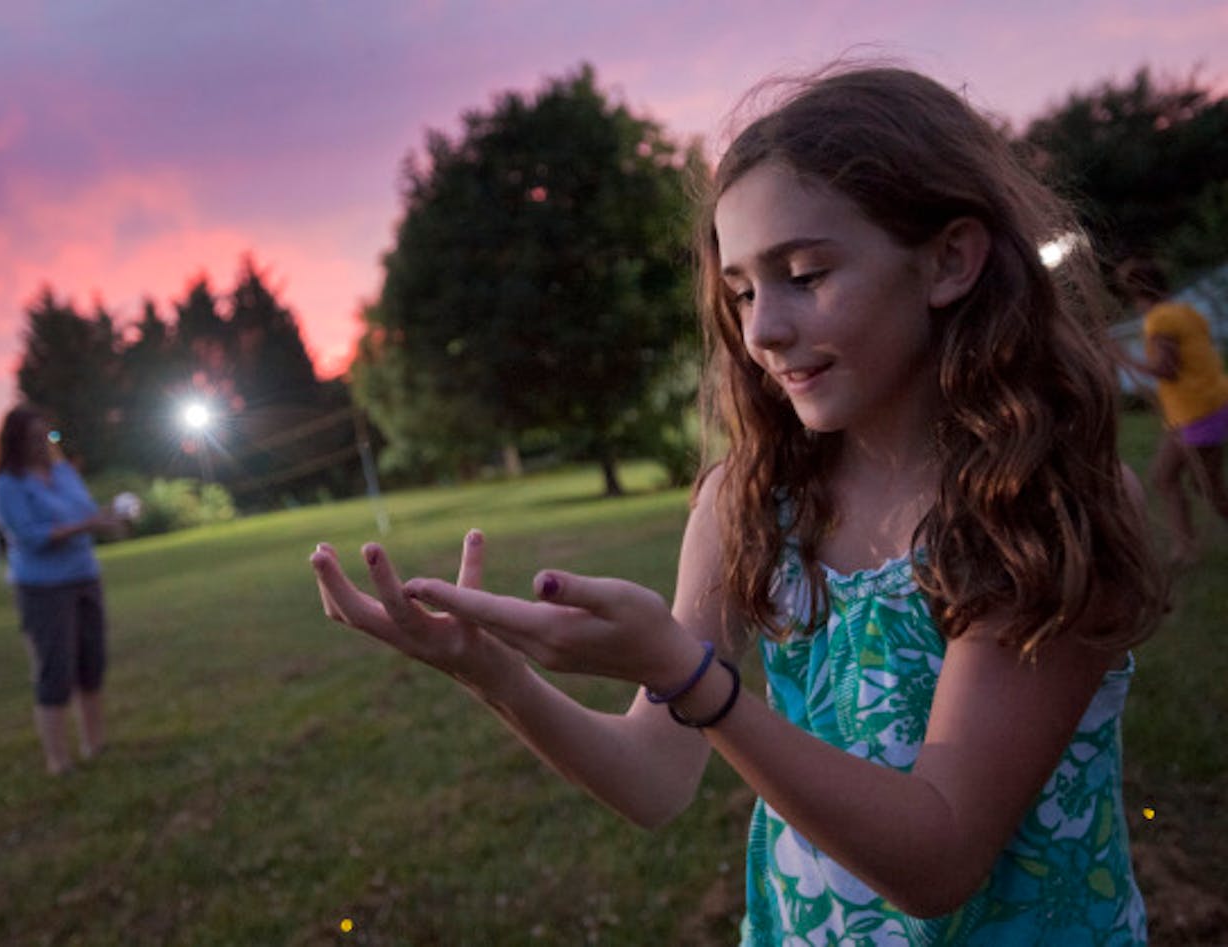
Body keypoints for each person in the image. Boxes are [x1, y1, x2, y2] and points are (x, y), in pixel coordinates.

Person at [310, 65, 1166, 944]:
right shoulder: (752, 505)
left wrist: (692, 680)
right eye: (745, 291)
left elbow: (940, 857)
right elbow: (654, 778)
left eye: (804, 274)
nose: (762, 332)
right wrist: (494, 675)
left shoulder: (1042, 505)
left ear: (949, 260)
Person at [0, 405, 122, 775]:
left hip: (84, 576)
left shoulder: (63, 472)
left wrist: (109, 518)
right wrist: (85, 526)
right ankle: (58, 760)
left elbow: (86, 510)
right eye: (32, 439)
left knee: (91, 663)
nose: (41, 444)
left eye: (45, 436)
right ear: (14, 443)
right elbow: (30, 537)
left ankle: (95, 744)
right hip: (43, 587)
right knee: (55, 670)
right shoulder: (5, 486)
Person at [1120, 257, 1228, 566]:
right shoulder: (1186, 311)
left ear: (1137, 294)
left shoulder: (1160, 319)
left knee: (1197, 486)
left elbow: (1165, 368)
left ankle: (1184, 549)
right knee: (1176, 479)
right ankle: (1184, 549)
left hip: (1197, 412)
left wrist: (1123, 359)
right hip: (1207, 404)